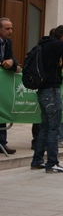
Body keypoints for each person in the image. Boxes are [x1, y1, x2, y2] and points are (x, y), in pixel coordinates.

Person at [30, 25, 63, 172]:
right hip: (51, 91)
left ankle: (37, 161)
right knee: (54, 128)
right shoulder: (55, 45)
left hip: (43, 90)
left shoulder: (44, 44)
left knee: (45, 127)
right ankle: (52, 163)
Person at [0, 17, 20, 155]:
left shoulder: (8, 43)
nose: (10, 31)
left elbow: (13, 59)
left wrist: (12, 64)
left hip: (3, 85)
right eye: (7, 28)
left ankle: (2, 143)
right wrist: (4, 64)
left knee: (3, 111)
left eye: (11, 28)